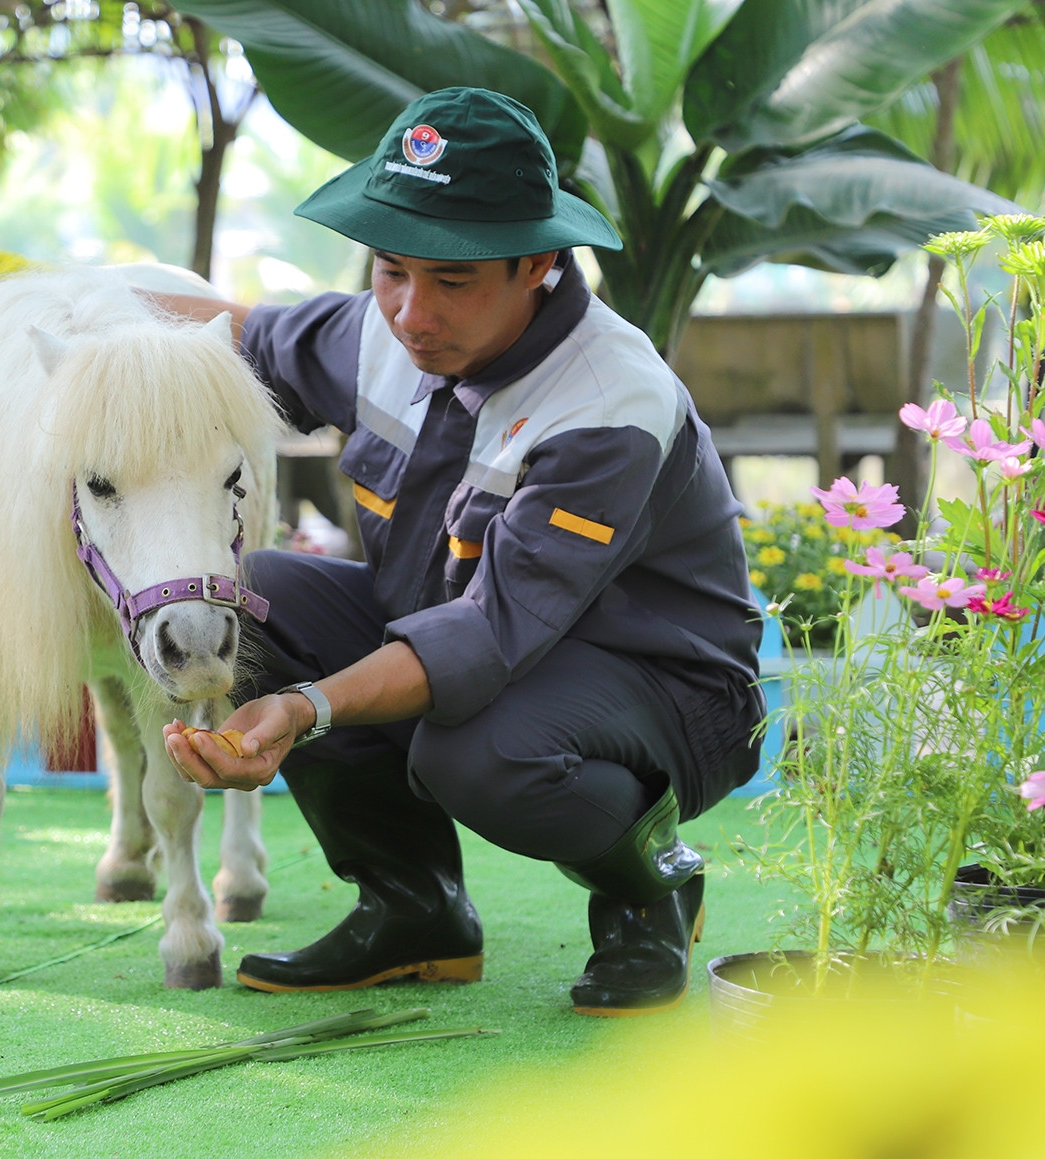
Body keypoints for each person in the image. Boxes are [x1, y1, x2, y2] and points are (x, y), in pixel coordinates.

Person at [153, 87, 764, 1016]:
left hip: (664, 689)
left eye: (451, 280)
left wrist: (304, 705)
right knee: (261, 599)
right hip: (462, 641)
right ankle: (415, 910)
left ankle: (651, 881)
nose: (410, 312)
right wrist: (72, 314)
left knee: (473, 751)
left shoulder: (609, 402)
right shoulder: (383, 328)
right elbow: (224, 331)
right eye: (391, 269)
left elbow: (488, 635)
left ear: (541, 265)